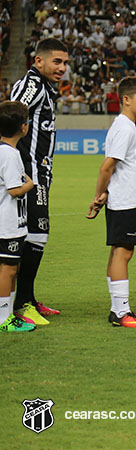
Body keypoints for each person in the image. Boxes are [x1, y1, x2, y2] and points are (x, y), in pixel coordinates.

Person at [87, 77, 136, 328]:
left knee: (120, 250)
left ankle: (118, 309)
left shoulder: (128, 126)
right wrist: (99, 194)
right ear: (126, 99)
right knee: (123, 252)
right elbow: (108, 166)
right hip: (126, 200)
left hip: (130, 198)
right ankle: (121, 311)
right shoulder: (124, 128)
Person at [10, 38, 69, 323]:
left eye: (65, 63)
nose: (62, 68)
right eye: (56, 61)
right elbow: (8, 117)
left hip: (39, 173)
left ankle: (27, 297)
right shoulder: (31, 85)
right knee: (36, 234)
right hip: (29, 174)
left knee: (34, 235)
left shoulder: (44, 87)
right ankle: (21, 303)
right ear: (39, 61)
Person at [0, 102, 35, 332]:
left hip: (11, 223)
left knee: (12, 267)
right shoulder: (10, 155)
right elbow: (14, 189)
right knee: (8, 269)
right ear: (23, 127)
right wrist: (29, 185)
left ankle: (8, 313)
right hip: (7, 224)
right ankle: (4, 318)